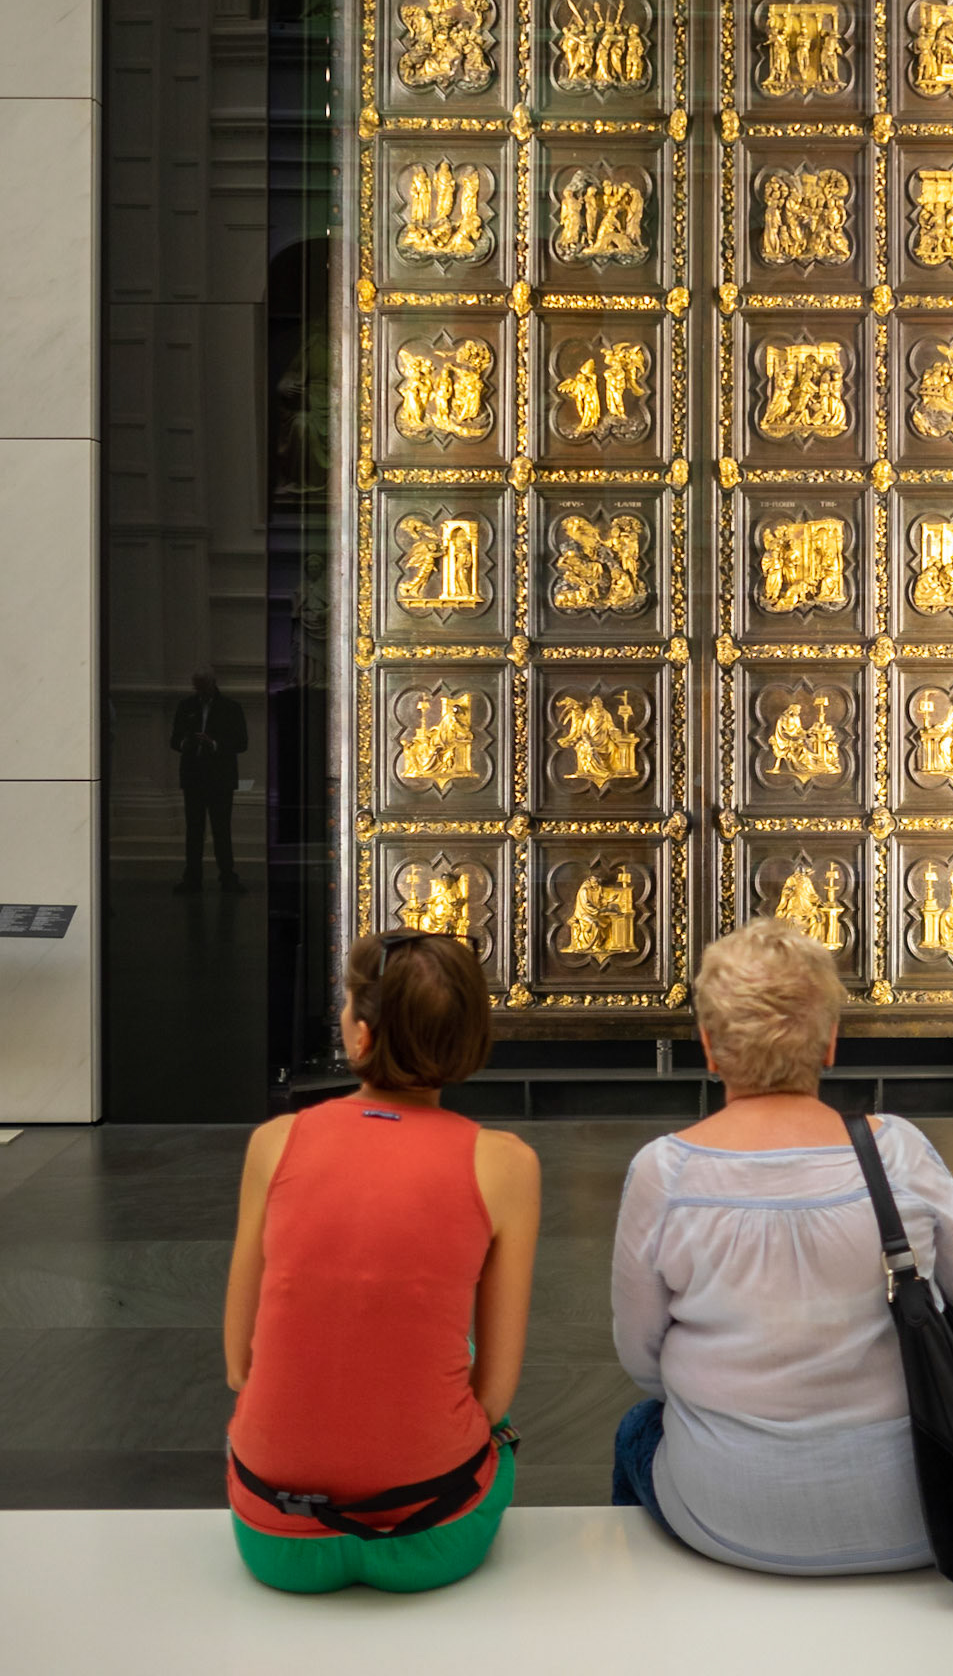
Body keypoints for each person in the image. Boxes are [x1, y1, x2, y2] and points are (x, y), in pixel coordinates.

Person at [609, 920, 953, 1575]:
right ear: (829, 1042)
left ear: (710, 1048)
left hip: (727, 1515)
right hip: (923, 1507)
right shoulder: (900, 1153)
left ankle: (648, 1604)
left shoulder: (664, 1172)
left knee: (637, 1427)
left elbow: (641, 1356)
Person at [223, 931, 540, 1594]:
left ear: (361, 1037)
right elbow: (495, 1396)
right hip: (433, 1532)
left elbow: (239, 1365)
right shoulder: (505, 1164)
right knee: (457, 1348)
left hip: (273, 1533)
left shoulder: (274, 1143)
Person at [169, 670, 248, 894]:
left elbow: (242, 743)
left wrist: (213, 744)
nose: (199, 691)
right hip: (195, 776)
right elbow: (174, 739)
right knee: (195, 830)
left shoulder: (231, 708)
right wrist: (187, 743)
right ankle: (195, 877)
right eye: (197, 686)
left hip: (219, 778)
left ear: (212, 684)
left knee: (220, 829)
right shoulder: (186, 706)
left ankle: (225, 876)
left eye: (202, 686)